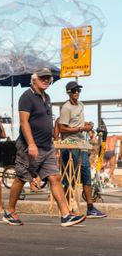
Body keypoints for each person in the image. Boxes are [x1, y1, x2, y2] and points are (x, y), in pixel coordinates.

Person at [2, 68, 86, 226]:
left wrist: (52, 145)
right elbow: (24, 122)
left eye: (48, 78)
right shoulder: (26, 97)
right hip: (30, 146)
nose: (46, 80)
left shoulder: (46, 97)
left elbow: (47, 123)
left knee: (55, 177)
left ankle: (66, 215)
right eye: (43, 77)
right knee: (21, 178)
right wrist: (31, 144)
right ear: (34, 79)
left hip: (47, 147)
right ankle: (9, 211)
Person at [59, 81, 106, 218]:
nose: (77, 93)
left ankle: (90, 207)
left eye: (78, 90)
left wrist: (87, 125)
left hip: (81, 143)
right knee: (70, 176)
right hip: (70, 144)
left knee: (86, 174)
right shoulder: (66, 108)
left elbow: (78, 123)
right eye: (74, 91)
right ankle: (67, 209)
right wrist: (81, 128)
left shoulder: (81, 105)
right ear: (68, 92)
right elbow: (62, 127)